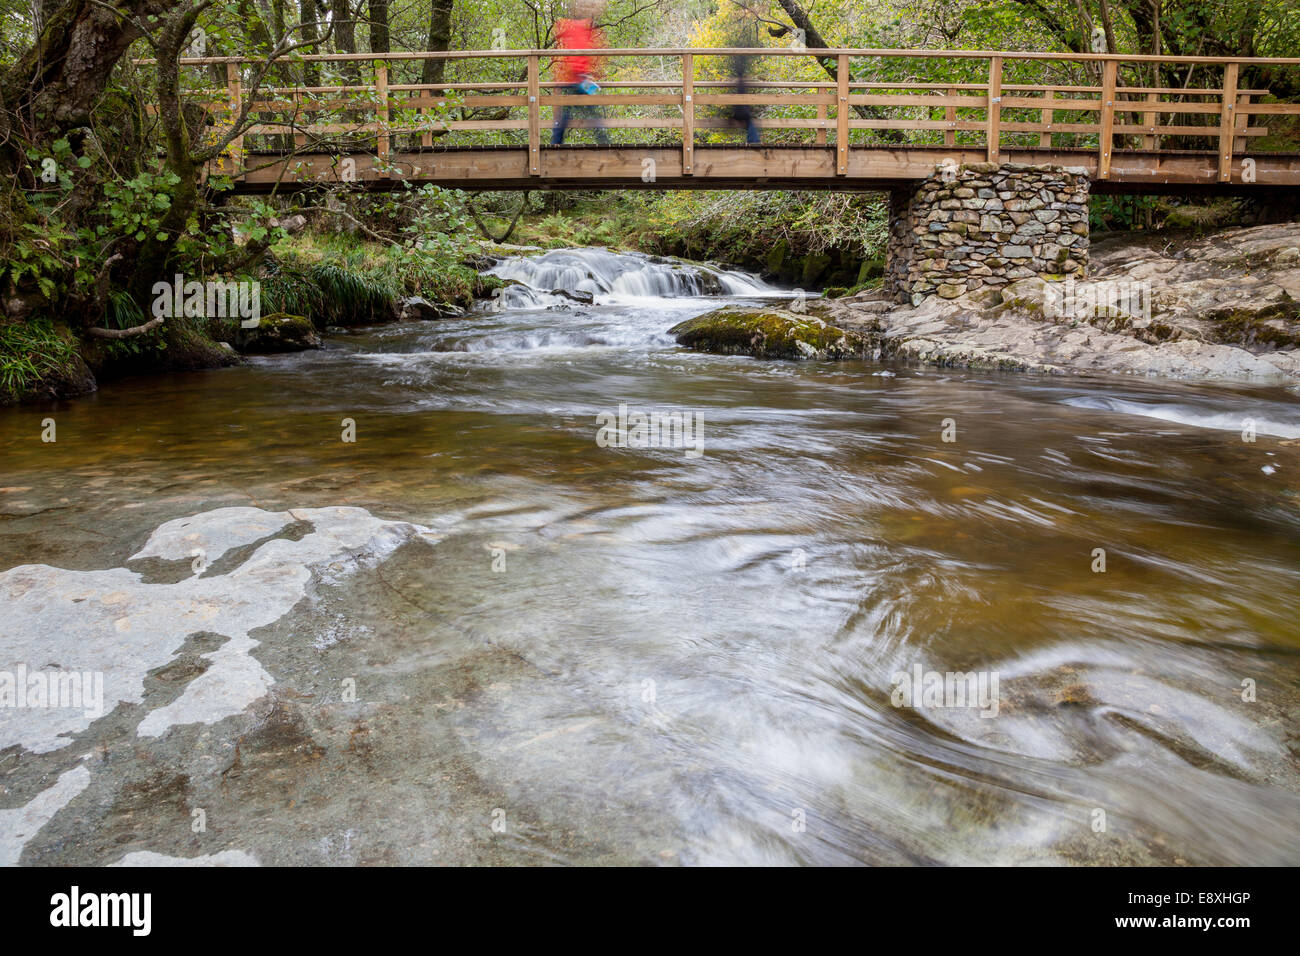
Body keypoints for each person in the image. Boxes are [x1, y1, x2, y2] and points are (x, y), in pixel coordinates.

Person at [551, 1, 609, 145]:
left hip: (571, 79)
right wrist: (584, 74)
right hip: (575, 80)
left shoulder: (580, 28)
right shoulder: (579, 28)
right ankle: (603, 141)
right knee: (590, 109)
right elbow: (576, 55)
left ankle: (556, 142)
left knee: (568, 113)